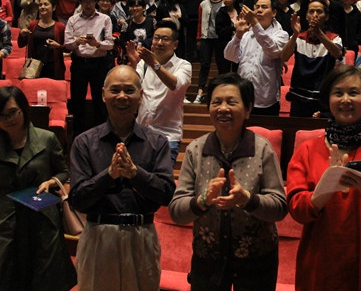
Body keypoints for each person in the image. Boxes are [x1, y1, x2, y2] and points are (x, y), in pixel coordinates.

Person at [286, 65, 361, 291]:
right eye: (338, 93)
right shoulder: (307, 149)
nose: (346, 100)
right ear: (327, 98)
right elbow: (296, 210)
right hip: (320, 263)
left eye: (354, 92)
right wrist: (327, 187)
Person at [169, 72, 287, 291]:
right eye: (216, 102)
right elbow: (177, 210)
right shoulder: (196, 150)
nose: (223, 108)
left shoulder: (262, 149)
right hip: (207, 262)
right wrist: (202, 201)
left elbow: (279, 208)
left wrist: (248, 200)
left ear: (248, 109)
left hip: (257, 263)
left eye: (232, 102)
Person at [69, 65, 176, 290]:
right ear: (103, 95)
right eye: (115, 90)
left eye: (129, 90)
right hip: (99, 236)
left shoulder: (157, 143)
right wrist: (109, 175)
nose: (121, 97)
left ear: (141, 96)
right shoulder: (84, 142)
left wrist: (135, 174)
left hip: (142, 235)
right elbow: (77, 199)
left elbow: (167, 195)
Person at [0, 85, 77, 291]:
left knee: (45, 277)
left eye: (12, 113)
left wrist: (52, 182)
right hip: (7, 221)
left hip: (42, 217)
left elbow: (64, 172)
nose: (8, 120)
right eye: (2, 116)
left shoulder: (46, 139)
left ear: (23, 109)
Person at [126, 20, 192, 166]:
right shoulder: (143, 64)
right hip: (141, 133)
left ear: (175, 44)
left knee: (161, 183)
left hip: (168, 137)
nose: (159, 42)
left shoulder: (184, 65)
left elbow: (175, 84)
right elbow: (133, 87)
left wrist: (154, 64)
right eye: (156, 38)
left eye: (165, 39)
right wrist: (134, 63)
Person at [224, 0, 289, 116]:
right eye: (257, 7)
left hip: (266, 100)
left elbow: (272, 50)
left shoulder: (281, 34)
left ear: (274, 13)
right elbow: (229, 56)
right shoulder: (247, 34)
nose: (259, 10)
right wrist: (238, 35)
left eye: (264, 7)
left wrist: (254, 22)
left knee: (265, 134)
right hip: (243, 97)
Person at [281, 0, 344, 117]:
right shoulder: (299, 37)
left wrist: (319, 33)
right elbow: (284, 57)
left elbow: (338, 54)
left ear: (326, 17)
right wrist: (294, 34)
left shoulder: (334, 38)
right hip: (299, 97)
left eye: (319, 12)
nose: (315, 15)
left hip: (322, 99)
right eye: (311, 11)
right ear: (306, 16)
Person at [64, 0, 114, 133]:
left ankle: (102, 134)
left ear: (96, 2)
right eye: (85, 1)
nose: (88, 5)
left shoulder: (105, 19)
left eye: (91, 1)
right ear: (80, 2)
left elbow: (110, 44)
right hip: (79, 64)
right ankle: (78, 135)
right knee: (77, 102)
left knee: (100, 102)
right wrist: (76, 42)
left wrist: (97, 44)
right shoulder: (73, 20)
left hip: (99, 64)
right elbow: (67, 44)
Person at [18, 0, 66, 79]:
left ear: (54, 7)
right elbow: (21, 44)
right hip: (34, 67)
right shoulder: (32, 25)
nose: (42, 7)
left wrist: (57, 46)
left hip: (54, 68)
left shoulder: (60, 27)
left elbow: (67, 48)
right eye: (40, 5)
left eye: (45, 4)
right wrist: (22, 35)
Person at [193, 0, 224, 104]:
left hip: (220, 38)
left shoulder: (224, 3)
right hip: (206, 37)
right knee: (204, 64)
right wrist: (198, 37)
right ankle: (200, 92)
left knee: (221, 64)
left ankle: (222, 90)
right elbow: (200, 22)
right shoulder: (203, 4)